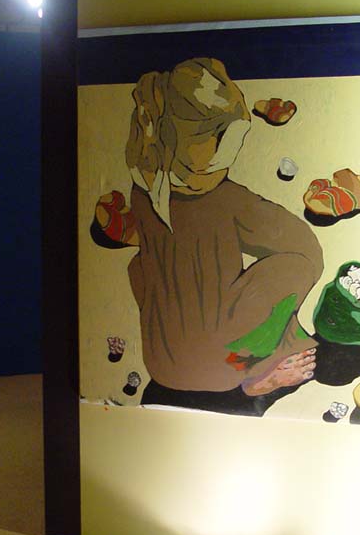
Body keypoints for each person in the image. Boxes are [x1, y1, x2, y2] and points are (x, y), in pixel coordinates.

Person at [119, 57, 323, 414]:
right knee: (298, 264)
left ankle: (248, 360)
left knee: (143, 267)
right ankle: (260, 372)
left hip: (162, 360)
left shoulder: (142, 192)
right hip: (223, 367)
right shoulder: (223, 199)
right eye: (223, 143)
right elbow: (304, 250)